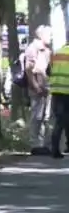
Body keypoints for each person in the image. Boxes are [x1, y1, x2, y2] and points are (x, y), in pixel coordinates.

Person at [25, 25, 53, 156]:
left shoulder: (47, 50)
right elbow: (29, 69)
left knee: (46, 117)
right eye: (49, 35)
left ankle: (45, 145)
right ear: (41, 35)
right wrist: (35, 85)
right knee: (36, 116)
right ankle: (35, 144)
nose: (51, 37)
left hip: (46, 88)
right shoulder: (33, 49)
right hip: (37, 88)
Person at [50, 41, 69, 158]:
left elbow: (49, 70)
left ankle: (55, 149)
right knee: (63, 121)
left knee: (60, 120)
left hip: (56, 91)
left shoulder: (57, 53)